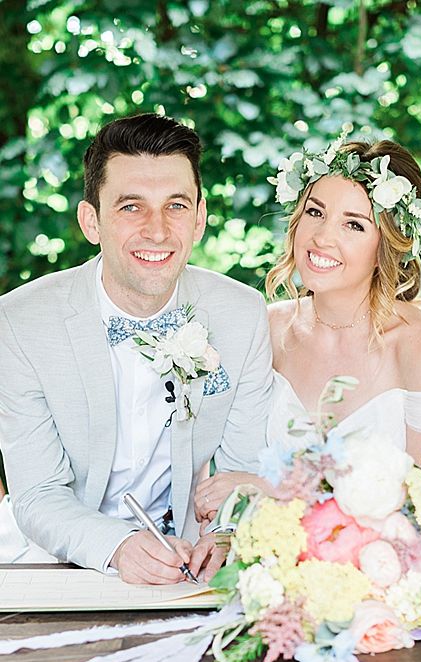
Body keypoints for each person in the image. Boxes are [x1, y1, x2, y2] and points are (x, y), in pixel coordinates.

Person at [0, 113, 272, 583]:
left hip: (191, 565)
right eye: (131, 207)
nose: (158, 230)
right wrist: (118, 545)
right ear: (91, 221)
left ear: (201, 217)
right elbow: (39, 492)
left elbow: (243, 468)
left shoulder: (243, 314)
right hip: (59, 559)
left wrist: (226, 534)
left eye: (176, 206)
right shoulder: (21, 322)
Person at [194, 127, 421, 524]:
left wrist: (272, 489)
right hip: (262, 561)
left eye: (353, 224)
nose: (322, 238)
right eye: (315, 213)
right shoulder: (266, 330)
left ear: (387, 244)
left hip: (379, 570)